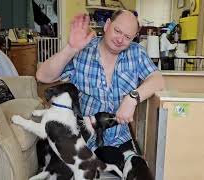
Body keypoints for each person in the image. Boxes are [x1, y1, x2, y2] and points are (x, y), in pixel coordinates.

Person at [36, 10, 164, 151]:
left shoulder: (136, 53)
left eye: (127, 37)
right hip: (82, 141)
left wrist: (132, 98)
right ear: (107, 25)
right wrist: (70, 49)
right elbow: (43, 76)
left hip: (120, 142)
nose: (120, 39)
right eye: (117, 31)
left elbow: (158, 79)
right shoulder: (83, 50)